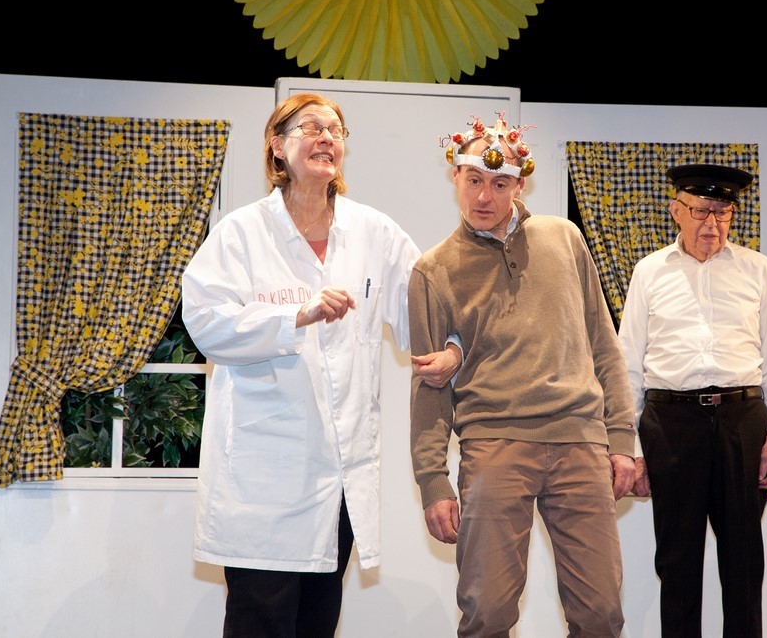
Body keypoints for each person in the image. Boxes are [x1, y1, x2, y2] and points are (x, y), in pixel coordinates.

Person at [181, 92, 459, 637]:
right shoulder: (241, 233)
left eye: (335, 129)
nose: (327, 137)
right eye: (311, 127)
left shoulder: (374, 233)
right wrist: (294, 316)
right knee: (259, 622)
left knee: (317, 622)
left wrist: (452, 348)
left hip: (338, 479)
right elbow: (206, 324)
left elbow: (428, 308)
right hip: (263, 479)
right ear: (276, 146)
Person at [408, 113, 638, 638]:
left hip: (581, 443)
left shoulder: (564, 237)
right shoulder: (433, 270)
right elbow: (428, 386)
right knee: (487, 613)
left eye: (499, 183)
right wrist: (432, 481)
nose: (483, 196)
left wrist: (622, 439)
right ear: (455, 177)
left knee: (601, 614)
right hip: (494, 445)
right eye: (473, 180)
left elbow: (604, 344)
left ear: (519, 185)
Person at [617, 163, 767, 638]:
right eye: (701, 211)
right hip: (670, 424)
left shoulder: (757, 269)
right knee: (677, 563)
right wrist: (631, 451)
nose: (711, 224)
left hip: (742, 420)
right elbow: (627, 369)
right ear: (676, 211)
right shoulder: (649, 271)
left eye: (723, 213)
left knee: (744, 562)